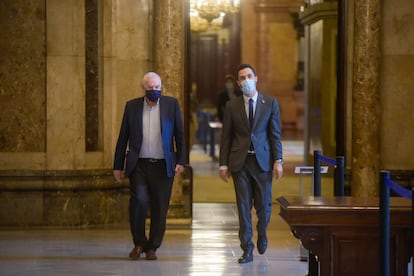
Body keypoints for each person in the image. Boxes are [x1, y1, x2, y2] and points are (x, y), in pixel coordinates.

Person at [113, 72, 186, 261]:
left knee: (160, 207)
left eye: (157, 87)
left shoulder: (171, 105)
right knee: (138, 202)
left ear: (161, 87)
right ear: (143, 88)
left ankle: (153, 246)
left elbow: (180, 135)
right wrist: (117, 165)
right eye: (150, 88)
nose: (154, 90)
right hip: (139, 165)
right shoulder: (132, 107)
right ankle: (139, 243)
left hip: (163, 166)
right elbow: (123, 138)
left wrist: (181, 160)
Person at [218, 64, 283, 264]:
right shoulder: (232, 106)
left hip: (263, 162)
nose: (245, 80)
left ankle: (262, 232)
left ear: (256, 78)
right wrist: (223, 164)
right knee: (244, 206)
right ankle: (247, 248)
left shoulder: (270, 103)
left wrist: (278, 161)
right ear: (238, 83)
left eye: (248, 76)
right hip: (240, 163)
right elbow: (226, 137)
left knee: (264, 206)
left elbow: (275, 134)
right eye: (241, 78)